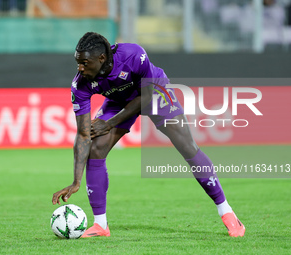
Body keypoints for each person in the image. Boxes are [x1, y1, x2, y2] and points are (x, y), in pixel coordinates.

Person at [52, 32, 245, 238]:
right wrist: (76, 181)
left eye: (84, 63)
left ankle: (227, 212)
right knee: (96, 149)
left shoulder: (133, 55)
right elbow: (83, 134)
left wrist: (109, 124)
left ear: (101, 59)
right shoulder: (80, 84)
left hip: (154, 92)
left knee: (187, 146)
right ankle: (100, 225)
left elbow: (147, 96)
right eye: (77, 62)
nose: (79, 68)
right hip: (118, 101)